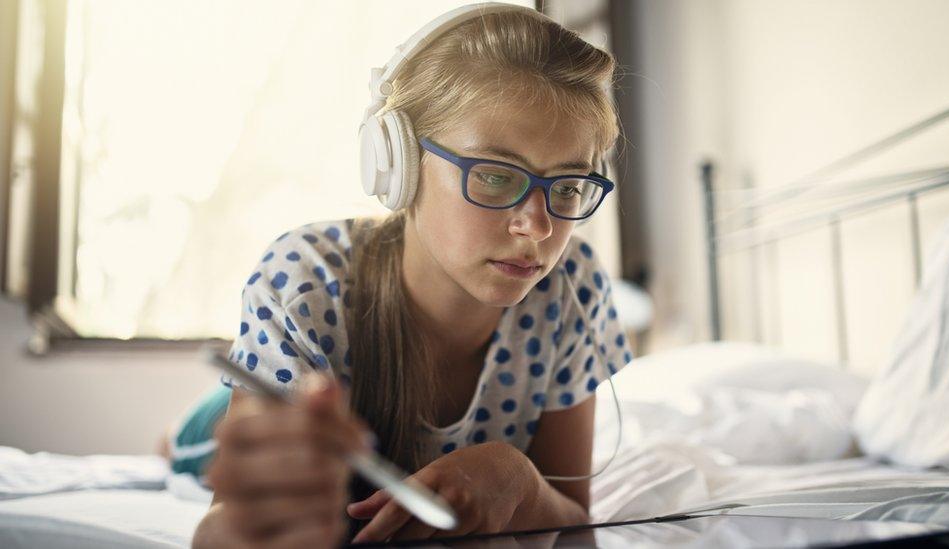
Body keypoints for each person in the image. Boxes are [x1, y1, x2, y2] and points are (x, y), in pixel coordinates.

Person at [191, 3, 632, 547]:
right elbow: (229, 524)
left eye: (566, 187)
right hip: (273, 385)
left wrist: (518, 480)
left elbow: (571, 521)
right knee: (191, 440)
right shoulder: (305, 280)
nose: (537, 227)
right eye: (494, 177)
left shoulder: (573, 288)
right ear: (397, 165)